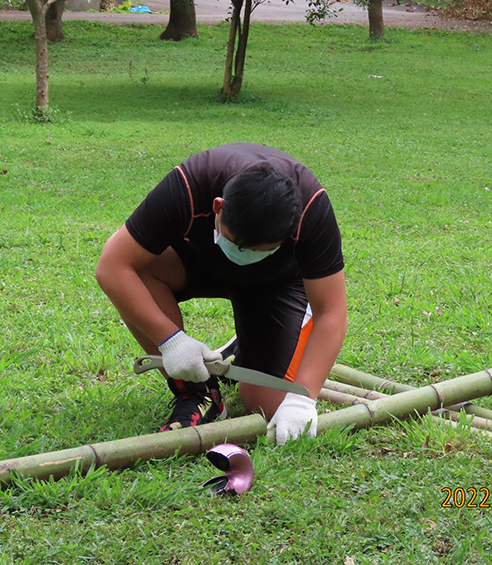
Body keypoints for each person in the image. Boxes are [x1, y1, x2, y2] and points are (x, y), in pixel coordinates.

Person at [95, 142, 347, 445]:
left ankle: (242, 351)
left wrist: (304, 398)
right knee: (139, 270)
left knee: (267, 404)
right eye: (238, 244)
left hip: (275, 284)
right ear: (218, 207)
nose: (246, 255)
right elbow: (112, 266)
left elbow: (331, 312)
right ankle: (198, 394)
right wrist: (170, 341)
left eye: (260, 250)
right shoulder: (191, 183)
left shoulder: (312, 209)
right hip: (199, 263)